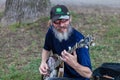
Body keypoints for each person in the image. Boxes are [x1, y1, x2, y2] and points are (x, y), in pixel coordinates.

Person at [39, 4, 92, 80]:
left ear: (70, 19)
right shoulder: (51, 31)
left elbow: (89, 74)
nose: (61, 25)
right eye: (57, 22)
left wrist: (74, 65)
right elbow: (46, 49)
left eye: (64, 20)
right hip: (60, 73)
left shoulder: (78, 40)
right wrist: (43, 62)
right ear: (51, 22)